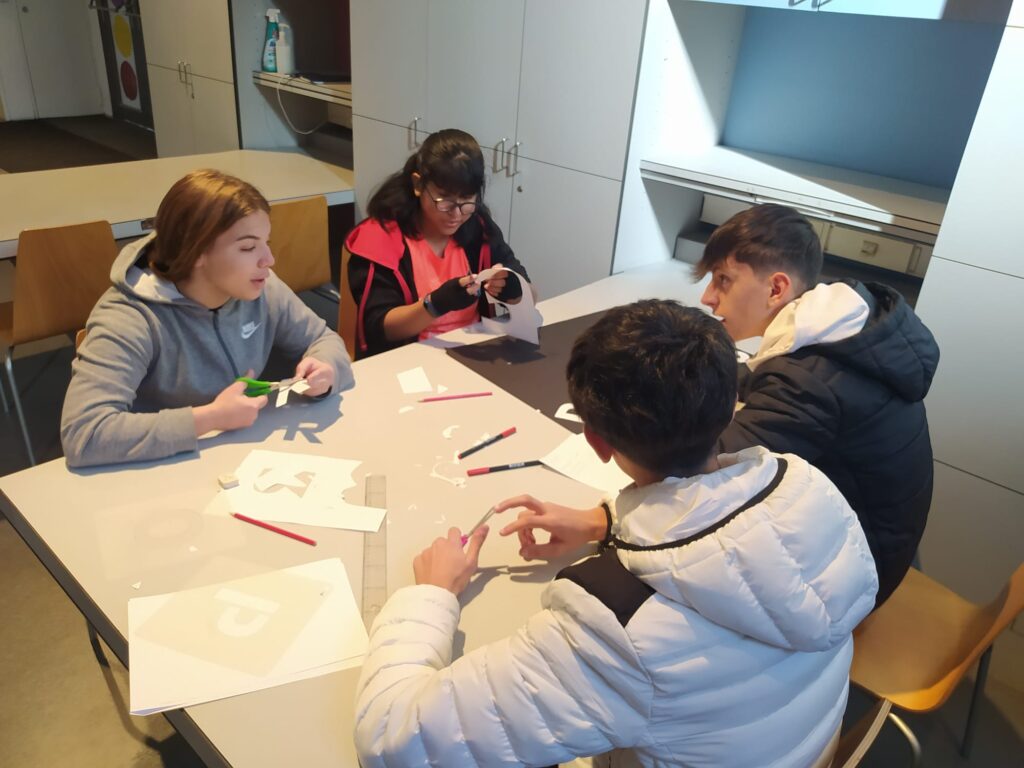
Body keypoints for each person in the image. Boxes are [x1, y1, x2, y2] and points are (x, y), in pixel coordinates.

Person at [355, 300, 878, 767]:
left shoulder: (617, 630)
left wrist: (431, 596)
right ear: (728, 407)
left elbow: (392, 740)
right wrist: (606, 521)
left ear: (596, 441)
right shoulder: (809, 492)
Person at [694, 203, 939, 607]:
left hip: (852, 582)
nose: (707, 298)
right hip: (884, 546)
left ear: (776, 289)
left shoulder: (809, 379)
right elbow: (763, 378)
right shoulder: (840, 329)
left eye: (723, 280)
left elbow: (705, 464)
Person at [60, 169, 354, 468]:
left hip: (238, 459)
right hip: (157, 472)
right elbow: (84, 434)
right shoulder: (129, 316)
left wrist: (326, 368)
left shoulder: (262, 286)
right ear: (196, 251)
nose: (268, 259)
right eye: (248, 247)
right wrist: (210, 418)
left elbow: (323, 339)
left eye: (266, 242)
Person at [345, 128, 532, 358]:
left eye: (467, 200)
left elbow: (530, 294)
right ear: (418, 185)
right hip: (407, 361)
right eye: (444, 201)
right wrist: (436, 304)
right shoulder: (380, 239)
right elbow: (380, 328)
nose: (456, 214)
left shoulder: (477, 227)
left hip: (472, 354)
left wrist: (516, 291)